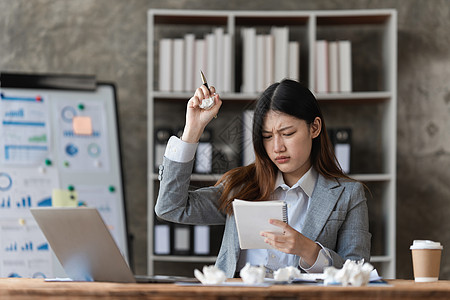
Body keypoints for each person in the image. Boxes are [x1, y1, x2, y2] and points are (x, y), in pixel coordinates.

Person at [155, 79, 371, 278]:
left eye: (287, 133)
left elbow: (358, 274)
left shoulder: (348, 195)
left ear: (314, 127)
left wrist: (308, 250)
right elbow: (170, 207)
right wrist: (193, 129)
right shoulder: (242, 187)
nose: (277, 147)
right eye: (267, 137)